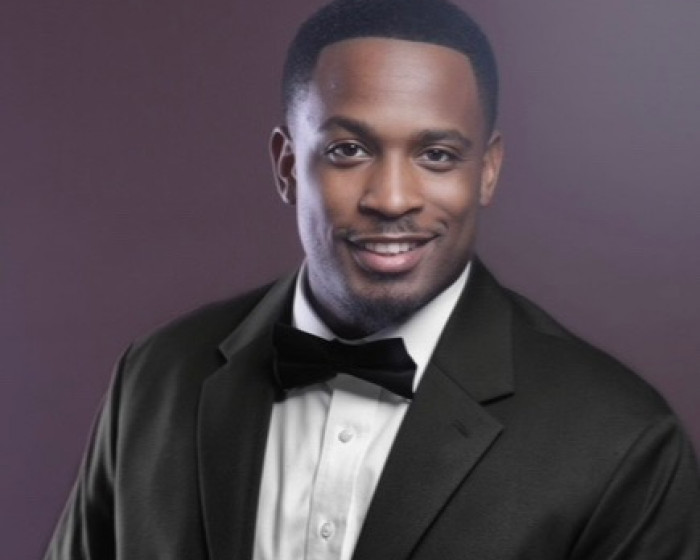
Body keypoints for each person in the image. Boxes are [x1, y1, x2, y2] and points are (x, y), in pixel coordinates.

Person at [44, 0, 700, 558]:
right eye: (348, 150)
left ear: (487, 171)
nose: (391, 199)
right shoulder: (154, 379)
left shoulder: (623, 441)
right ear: (287, 165)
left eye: (436, 155)